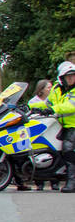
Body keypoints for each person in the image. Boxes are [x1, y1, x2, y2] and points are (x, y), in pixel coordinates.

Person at [49, 61, 75, 192]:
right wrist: (31, 107)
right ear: (61, 78)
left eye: (73, 76)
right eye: (68, 76)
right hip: (60, 125)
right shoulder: (56, 90)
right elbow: (47, 103)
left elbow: (71, 106)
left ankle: (72, 181)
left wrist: (53, 109)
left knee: (68, 148)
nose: (71, 78)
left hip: (73, 125)